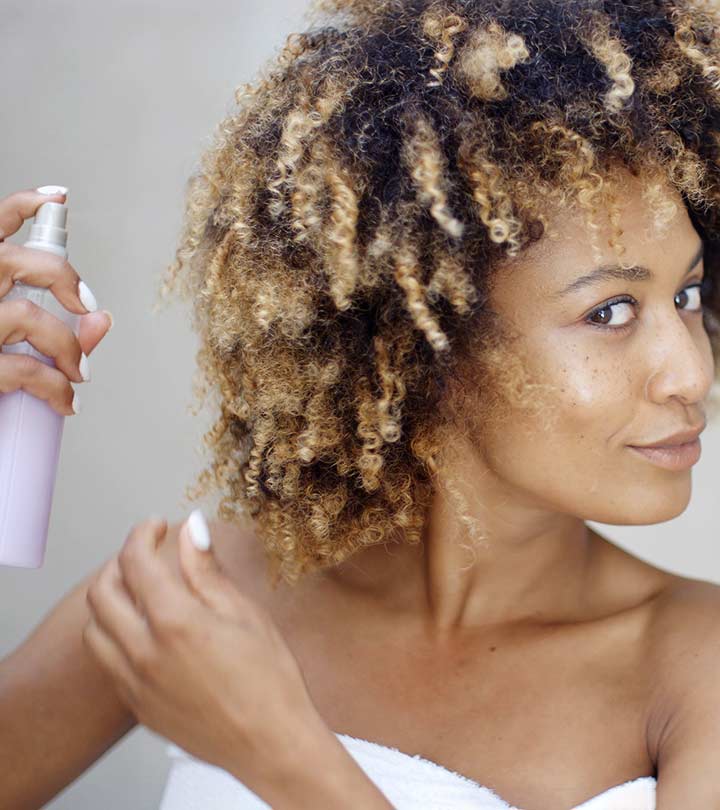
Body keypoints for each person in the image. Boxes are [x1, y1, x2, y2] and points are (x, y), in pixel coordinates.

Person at [3, 0, 720, 807]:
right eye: (611, 311)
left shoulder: (697, 667)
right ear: (423, 338)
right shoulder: (200, 600)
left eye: (688, 294)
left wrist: (280, 751)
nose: (690, 372)